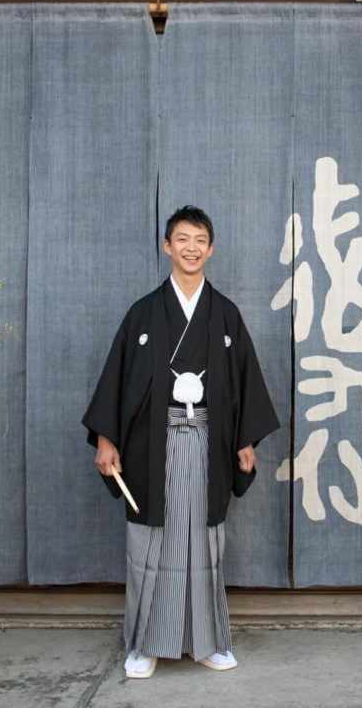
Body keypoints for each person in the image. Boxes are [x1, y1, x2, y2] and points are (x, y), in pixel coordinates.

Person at [82, 205, 279, 679]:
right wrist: (106, 440)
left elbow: (244, 381)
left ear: (210, 249)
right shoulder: (143, 313)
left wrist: (245, 440)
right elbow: (116, 379)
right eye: (182, 239)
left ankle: (207, 642)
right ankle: (144, 644)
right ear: (167, 246)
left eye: (200, 240)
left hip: (209, 442)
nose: (191, 248)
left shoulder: (225, 314)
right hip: (152, 445)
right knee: (151, 542)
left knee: (204, 543)